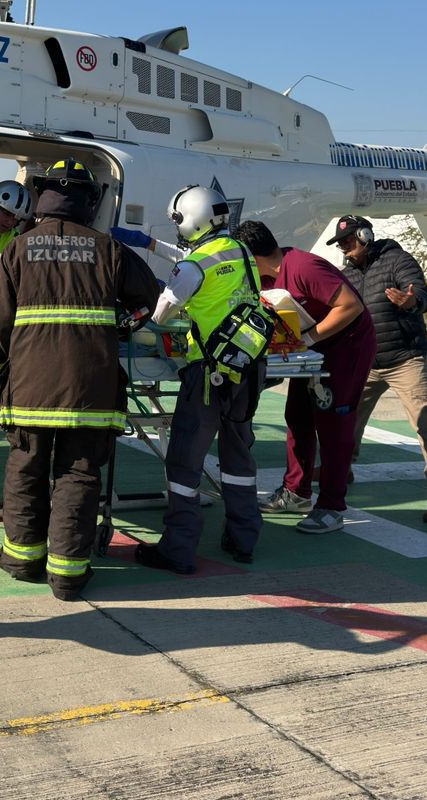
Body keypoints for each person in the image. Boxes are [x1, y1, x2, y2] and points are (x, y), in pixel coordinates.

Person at [0, 161, 159, 599]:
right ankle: (68, 574)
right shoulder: (110, 250)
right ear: (89, 200)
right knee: (78, 475)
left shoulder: (17, 250)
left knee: (26, 469)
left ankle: (22, 559)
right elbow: (148, 302)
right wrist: (120, 325)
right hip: (90, 390)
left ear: (43, 197)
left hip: (30, 390)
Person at [131, 184, 266, 573]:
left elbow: (162, 314)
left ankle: (178, 548)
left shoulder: (196, 264)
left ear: (190, 218)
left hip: (208, 373)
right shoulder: (242, 252)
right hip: (247, 365)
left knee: (185, 460)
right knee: (238, 455)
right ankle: (244, 537)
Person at [237, 220, 376, 535]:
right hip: (309, 349)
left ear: (252, 256)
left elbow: (351, 306)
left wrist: (308, 340)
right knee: (298, 416)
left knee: (333, 424)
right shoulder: (266, 277)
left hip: (346, 346)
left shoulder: (304, 267)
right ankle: (296, 493)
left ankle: (331, 506)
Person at [331, 215, 427, 525]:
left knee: (425, 424)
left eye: (348, 241)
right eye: (341, 244)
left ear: (365, 235)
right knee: (346, 417)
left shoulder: (397, 260)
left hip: (405, 358)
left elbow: (421, 294)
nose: (345, 248)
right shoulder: (349, 273)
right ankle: (342, 469)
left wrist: (411, 302)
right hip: (369, 361)